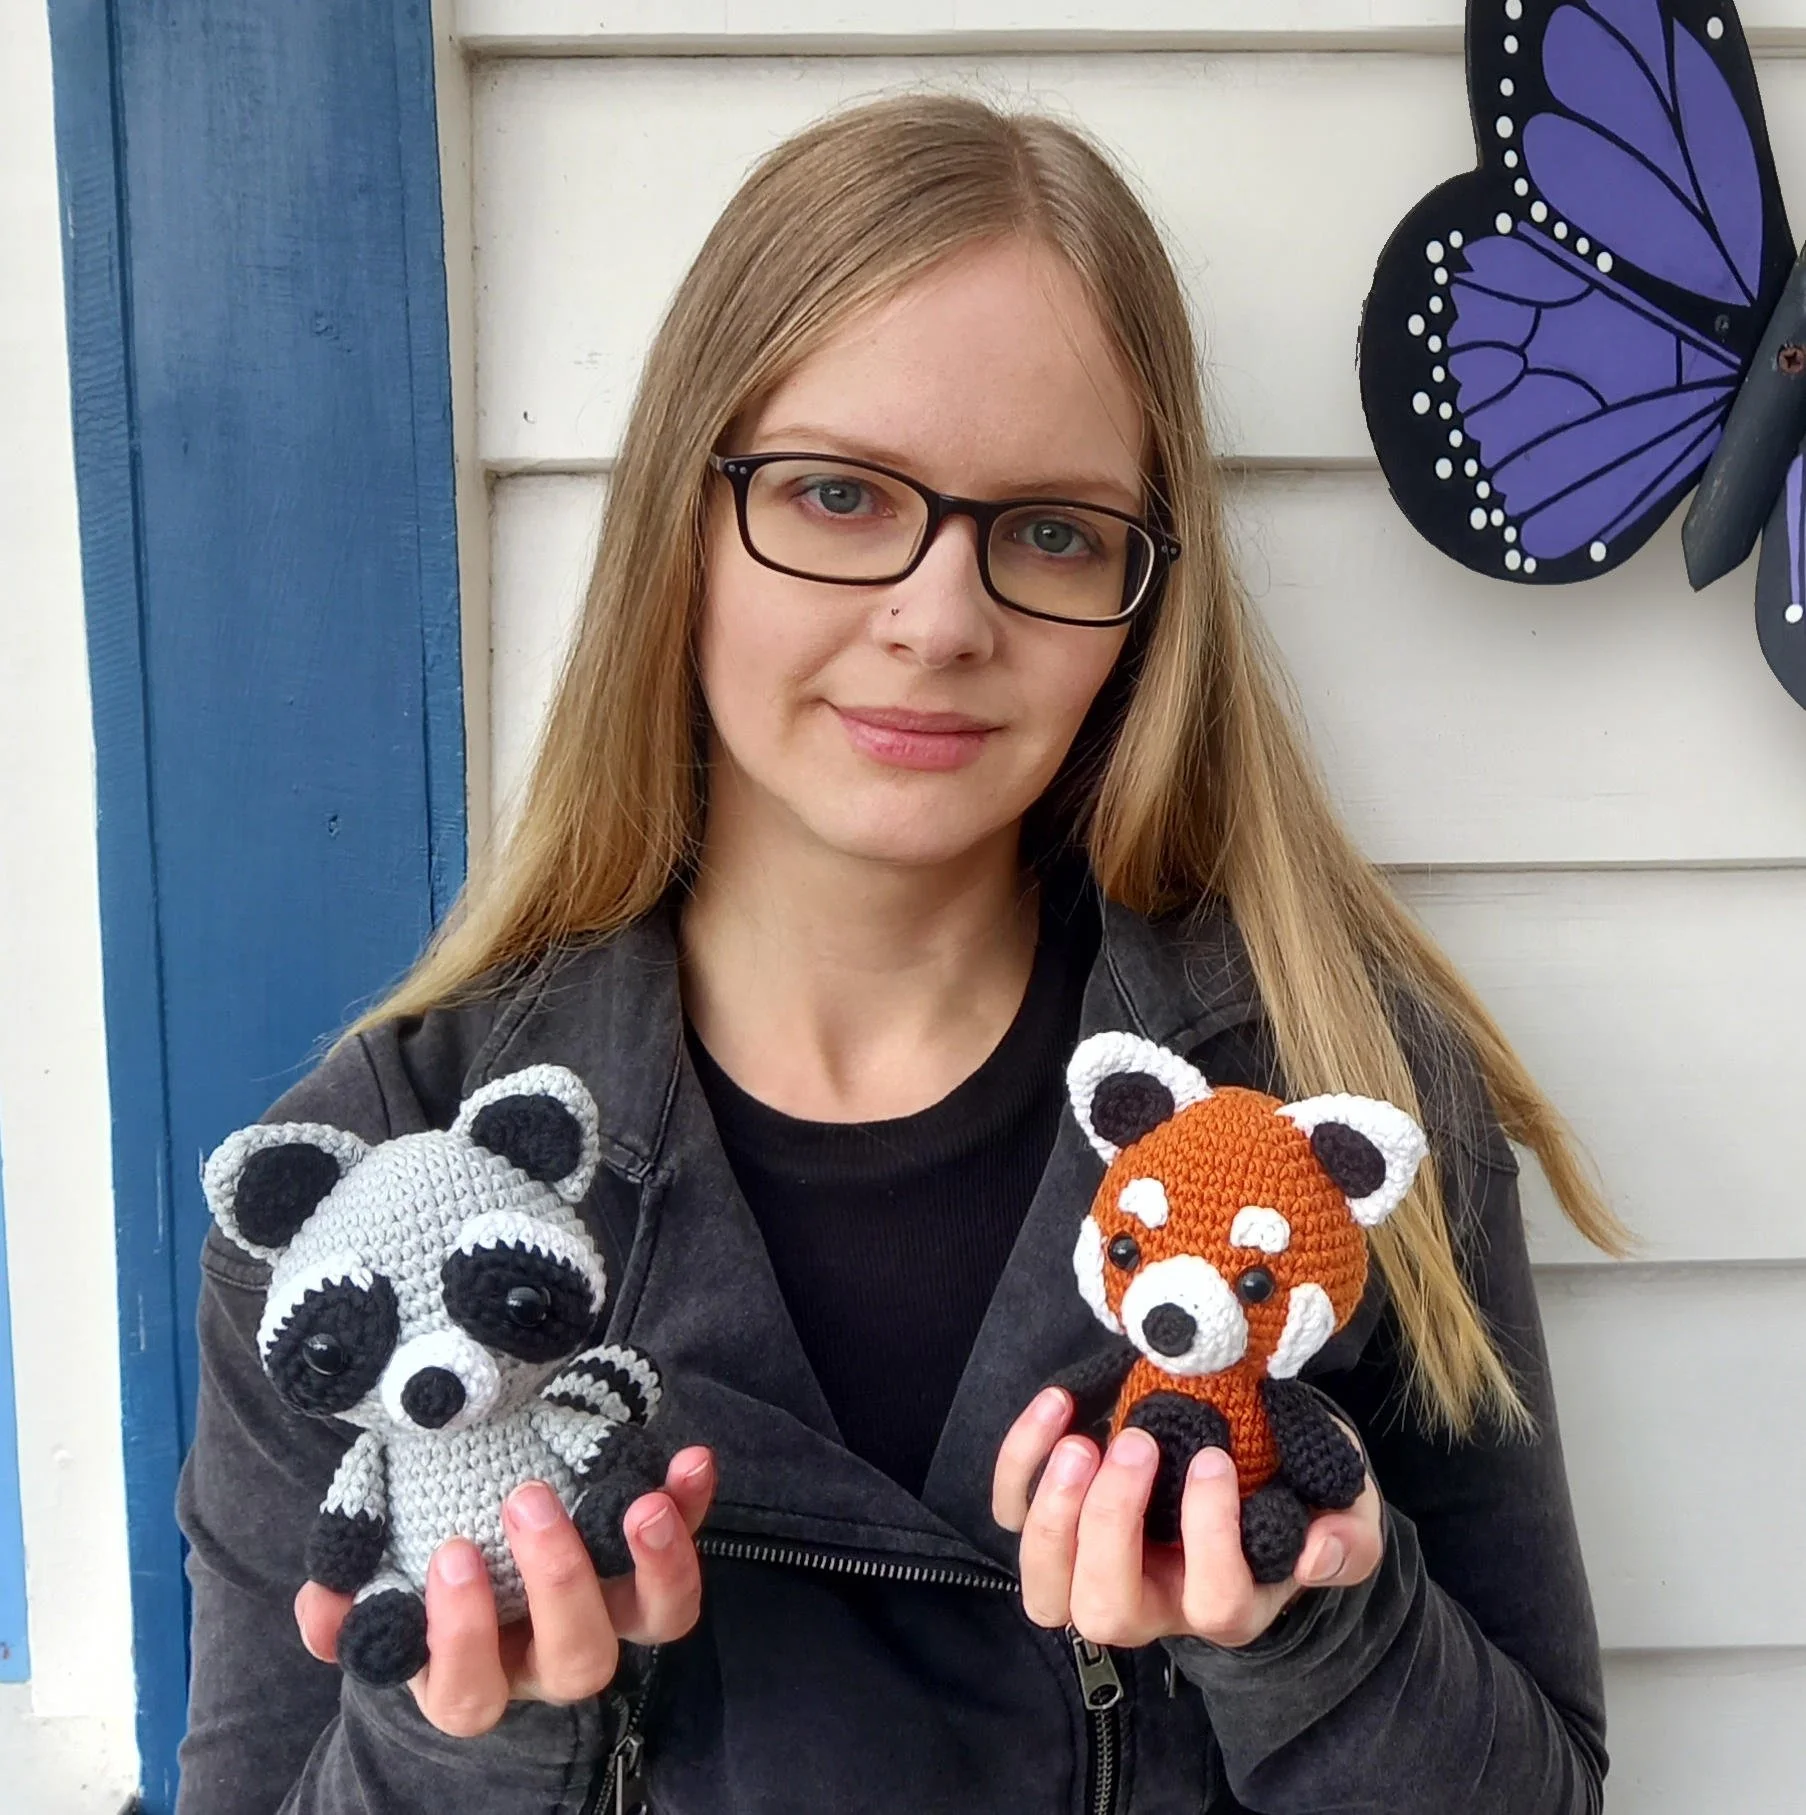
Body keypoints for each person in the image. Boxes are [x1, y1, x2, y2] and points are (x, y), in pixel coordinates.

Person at [175, 94, 1620, 1815]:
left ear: (1147, 601)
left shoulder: (1327, 1097)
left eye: (1056, 530)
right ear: (678, 526)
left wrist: (1315, 1636)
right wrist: (467, 1733)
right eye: (840, 493)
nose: (941, 618)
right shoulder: (382, 1187)